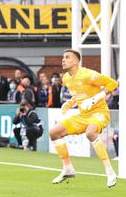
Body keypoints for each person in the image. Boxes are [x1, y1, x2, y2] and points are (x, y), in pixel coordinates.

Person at [49, 49, 118, 187]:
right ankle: (68, 168)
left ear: (76, 61)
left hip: (99, 112)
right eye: (63, 57)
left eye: (67, 57)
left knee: (90, 133)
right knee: (54, 133)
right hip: (83, 115)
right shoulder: (66, 78)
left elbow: (113, 84)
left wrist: (95, 99)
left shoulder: (87, 74)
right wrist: (70, 103)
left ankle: (109, 170)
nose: (63, 60)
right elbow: (78, 94)